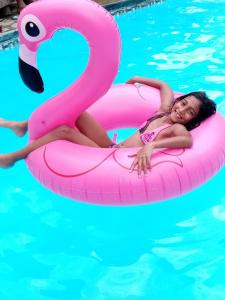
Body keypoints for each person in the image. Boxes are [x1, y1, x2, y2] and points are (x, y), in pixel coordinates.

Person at [0, 77, 216, 176]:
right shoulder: (164, 110)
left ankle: (14, 157)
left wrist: (152, 146)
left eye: (190, 113)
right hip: (111, 146)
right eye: (184, 103)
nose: (182, 110)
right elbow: (165, 86)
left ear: (192, 120)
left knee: (64, 132)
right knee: (77, 109)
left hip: (111, 158)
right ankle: (24, 124)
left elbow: (186, 140)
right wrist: (137, 78)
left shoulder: (176, 129)